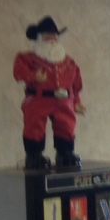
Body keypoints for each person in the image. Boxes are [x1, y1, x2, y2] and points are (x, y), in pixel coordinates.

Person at [13, 17, 85, 170]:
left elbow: (75, 84)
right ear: (38, 39)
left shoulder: (68, 62)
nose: (52, 40)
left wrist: (77, 102)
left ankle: (65, 153)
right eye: (47, 37)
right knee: (34, 126)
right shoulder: (28, 59)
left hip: (64, 100)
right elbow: (18, 72)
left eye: (54, 37)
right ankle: (34, 156)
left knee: (66, 125)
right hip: (39, 99)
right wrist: (33, 76)